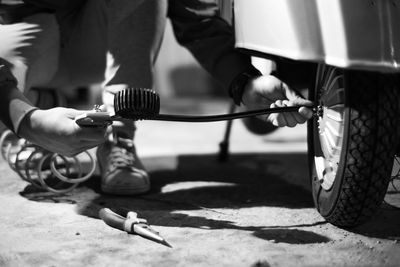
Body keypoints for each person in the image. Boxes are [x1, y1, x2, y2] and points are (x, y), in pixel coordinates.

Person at [0, 0, 313, 195]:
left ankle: (118, 137)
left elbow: (198, 20)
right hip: (23, 24)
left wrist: (245, 84)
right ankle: (36, 100)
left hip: (95, 36)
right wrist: (26, 120)